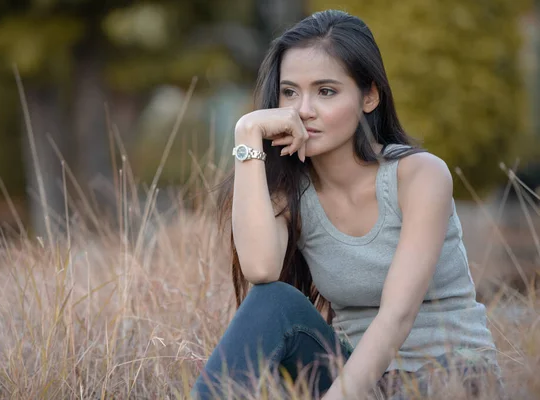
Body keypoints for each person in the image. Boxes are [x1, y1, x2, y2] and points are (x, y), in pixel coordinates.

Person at [191, 9, 502, 400]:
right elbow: (260, 269)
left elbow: (397, 315)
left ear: (369, 96)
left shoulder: (419, 176)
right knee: (275, 300)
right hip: (357, 378)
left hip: (449, 377)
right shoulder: (292, 191)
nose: (303, 110)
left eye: (326, 91)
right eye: (289, 92)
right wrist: (247, 133)